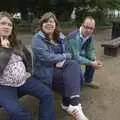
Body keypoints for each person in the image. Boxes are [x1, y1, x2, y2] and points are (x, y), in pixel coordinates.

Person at [32, 12, 89, 120]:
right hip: (45, 72)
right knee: (73, 76)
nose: (49, 24)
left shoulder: (61, 37)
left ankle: (72, 104)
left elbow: (68, 53)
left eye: (51, 21)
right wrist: (63, 56)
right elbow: (47, 58)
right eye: (46, 21)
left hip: (60, 67)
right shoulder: (37, 39)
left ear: (55, 24)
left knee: (74, 67)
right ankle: (70, 104)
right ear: (41, 24)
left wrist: (62, 58)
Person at [0, 11, 56, 120]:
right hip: (4, 86)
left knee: (47, 95)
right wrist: (5, 50)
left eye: (9, 24)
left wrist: (29, 71)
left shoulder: (17, 43)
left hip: (24, 81)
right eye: (3, 23)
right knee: (19, 114)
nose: (6, 26)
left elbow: (28, 57)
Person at [67, 16, 103, 89]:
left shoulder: (90, 36)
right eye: (86, 27)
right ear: (82, 25)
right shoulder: (73, 37)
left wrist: (94, 60)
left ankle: (88, 80)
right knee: (79, 83)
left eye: (91, 28)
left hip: (78, 54)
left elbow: (90, 50)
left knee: (92, 59)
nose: (88, 30)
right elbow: (75, 57)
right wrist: (91, 63)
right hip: (68, 58)